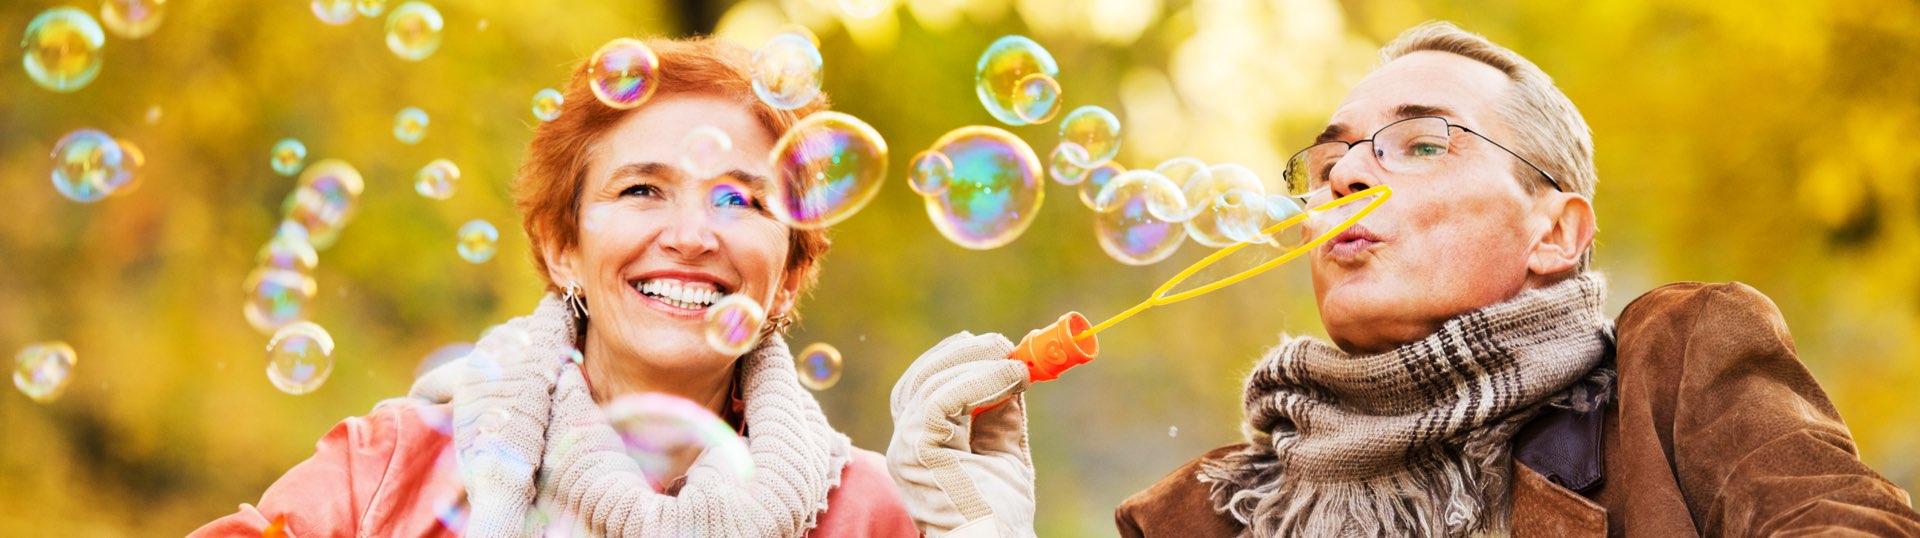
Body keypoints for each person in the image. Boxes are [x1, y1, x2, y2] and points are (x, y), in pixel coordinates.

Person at [886, 21, 1920, 537]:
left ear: (1556, 231)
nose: (1347, 172)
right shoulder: (1203, 514)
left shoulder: (1677, 370)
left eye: (1423, 145)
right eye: (1331, 154)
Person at [194, 37, 916, 537]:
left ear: (789, 273)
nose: (693, 235)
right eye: (641, 189)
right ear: (562, 246)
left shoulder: (873, 513)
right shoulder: (388, 471)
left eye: (739, 200)